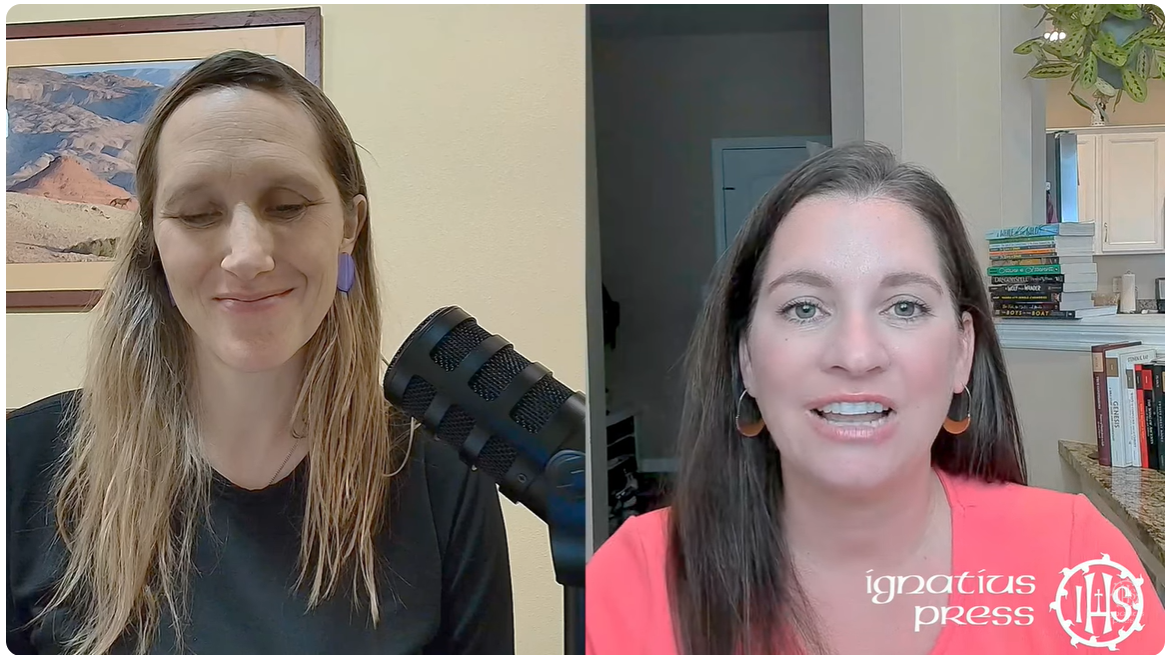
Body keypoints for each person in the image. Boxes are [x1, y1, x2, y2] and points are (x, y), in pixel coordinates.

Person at [7, 50, 514, 654]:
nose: (246, 256)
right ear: (153, 240)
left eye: (289, 206)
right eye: (198, 213)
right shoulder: (25, 465)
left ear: (350, 225)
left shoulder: (442, 479)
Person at [585, 142, 1165, 655]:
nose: (856, 355)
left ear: (962, 353)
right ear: (746, 359)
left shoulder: (1076, 560)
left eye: (905, 307)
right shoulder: (640, 576)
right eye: (805, 308)